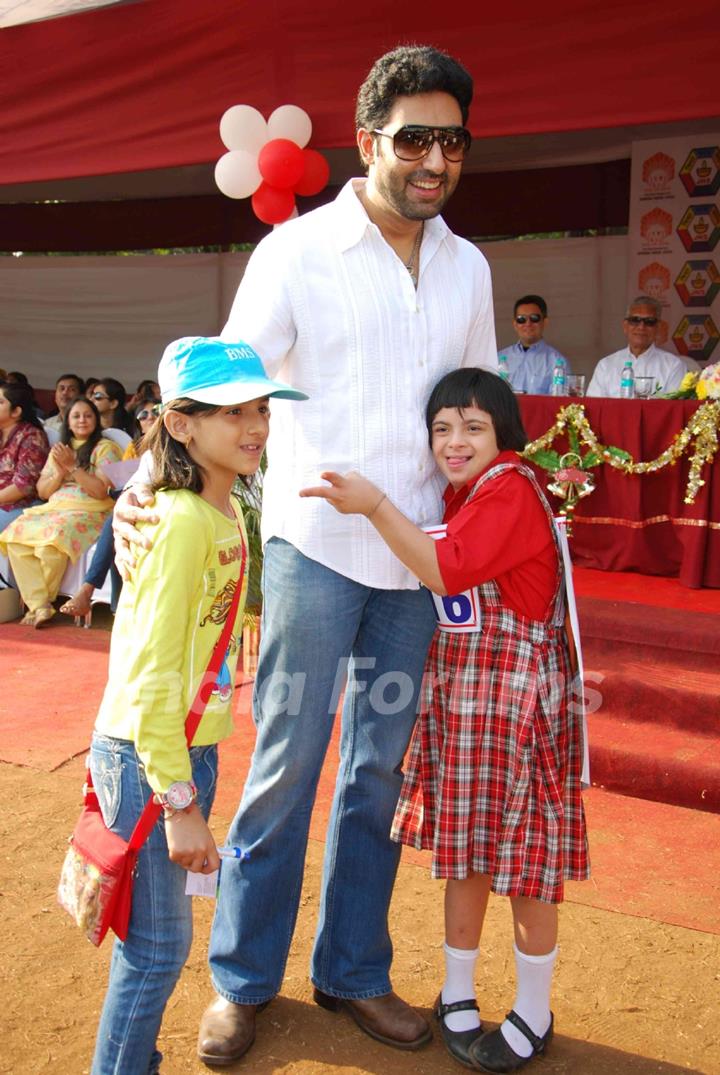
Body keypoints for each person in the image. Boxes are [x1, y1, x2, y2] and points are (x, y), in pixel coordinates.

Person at [114, 44, 497, 1065]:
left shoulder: (469, 265)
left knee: (378, 777)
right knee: (285, 768)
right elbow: (232, 383)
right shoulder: (295, 253)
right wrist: (171, 486)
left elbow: (477, 410)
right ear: (368, 142)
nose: (433, 157)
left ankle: (353, 972)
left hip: (414, 555)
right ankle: (242, 978)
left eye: (450, 140)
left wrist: (484, 525)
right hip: (314, 549)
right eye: (413, 137)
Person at [301, 367, 589, 1072]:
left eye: (472, 427)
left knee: (524, 862)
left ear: (504, 433)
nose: (453, 442)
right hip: (469, 698)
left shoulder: (511, 487)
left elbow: (445, 566)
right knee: (464, 845)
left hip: (515, 701)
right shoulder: (471, 490)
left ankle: (534, 1007)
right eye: (441, 428)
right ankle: (457, 988)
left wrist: (373, 505)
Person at [87, 335, 306, 1075]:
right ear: (180, 425)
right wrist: (179, 800)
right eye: (231, 412)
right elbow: (148, 675)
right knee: (155, 948)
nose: (255, 426)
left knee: (156, 940)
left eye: (261, 409)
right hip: (154, 756)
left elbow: (212, 625)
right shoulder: (182, 522)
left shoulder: (222, 511)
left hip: (183, 750)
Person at [1, 396, 121, 626]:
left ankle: (37, 606)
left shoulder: (106, 448)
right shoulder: (60, 449)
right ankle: (41, 606)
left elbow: (100, 491)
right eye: (76, 416)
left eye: (88, 415)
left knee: (50, 546)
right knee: (15, 538)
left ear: (96, 420)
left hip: (89, 512)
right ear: (67, 421)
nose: (82, 420)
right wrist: (59, 471)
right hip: (54, 509)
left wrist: (73, 467)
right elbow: (43, 491)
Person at [58, 396, 159, 619]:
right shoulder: (134, 448)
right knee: (119, 525)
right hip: (132, 504)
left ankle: (90, 590)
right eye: (144, 414)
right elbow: (120, 482)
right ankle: (115, 608)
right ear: (138, 422)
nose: (150, 417)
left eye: (155, 413)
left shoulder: (173, 444)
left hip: (157, 504)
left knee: (117, 520)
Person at [587, 296, 686, 397]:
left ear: (658, 327)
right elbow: (594, 406)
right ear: (625, 326)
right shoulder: (606, 365)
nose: (641, 327)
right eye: (635, 320)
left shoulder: (673, 366)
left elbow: (674, 409)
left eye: (649, 321)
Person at [0, 381, 49, 530]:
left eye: (0, 402)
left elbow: (23, 487)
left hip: (17, 506)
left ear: (15, 412)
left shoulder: (32, 437)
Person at [497, 295, 571, 394]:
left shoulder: (558, 362)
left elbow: (558, 403)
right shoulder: (499, 358)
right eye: (521, 319)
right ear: (514, 324)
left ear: (545, 322)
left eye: (534, 318)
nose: (528, 323)